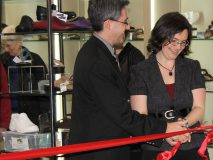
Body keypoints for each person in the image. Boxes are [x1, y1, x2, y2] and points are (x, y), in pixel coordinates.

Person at [67, 1, 189, 160]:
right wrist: (165, 128)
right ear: (109, 24)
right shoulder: (96, 61)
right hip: (99, 153)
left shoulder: (100, 52)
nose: (127, 26)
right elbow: (122, 114)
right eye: (124, 21)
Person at [129, 12, 209, 160]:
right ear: (161, 37)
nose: (177, 47)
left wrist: (182, 126)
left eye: (183, 42)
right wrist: (167, 134)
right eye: (173, 41)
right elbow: (141, 116)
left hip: (192, 143)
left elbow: (199, 107)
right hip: (157, 147)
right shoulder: (140, 71)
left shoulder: (192, 67)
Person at [0, 25, 49, 125]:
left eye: (8, 45)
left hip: (32, 117)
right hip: (9, 117)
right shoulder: (2, 61)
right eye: (3, 45)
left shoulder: (35, 59)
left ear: (19, 42)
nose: (6, 49)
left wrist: (44, 114)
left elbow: (44, 88)